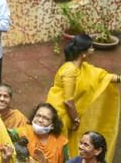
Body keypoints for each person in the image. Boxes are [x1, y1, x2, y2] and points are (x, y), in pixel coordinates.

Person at [46, 34, 120, 162]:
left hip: (71, 114)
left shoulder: (84, 68)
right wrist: (76, 120)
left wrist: (118, 78)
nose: (93, 50)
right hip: (61, 117)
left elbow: (102, 76)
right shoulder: (70, 71)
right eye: (91, 48)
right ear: (83, 53)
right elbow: (68, 102)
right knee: (60, 148)